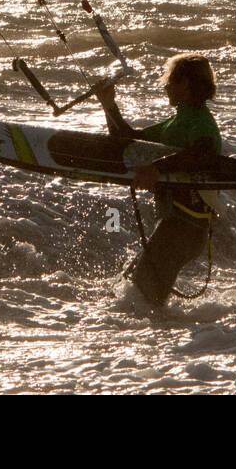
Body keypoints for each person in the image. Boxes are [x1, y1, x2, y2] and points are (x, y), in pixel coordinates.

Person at [94, 53, 222, 306]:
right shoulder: (179, 121)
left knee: (138, 298)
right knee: (131, 291)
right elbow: (129, 143)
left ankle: (163, 340)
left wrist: (156, 168)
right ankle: (165, 337)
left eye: (169, 81)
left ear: (185, 83)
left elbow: (202, 155)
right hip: (177, 225)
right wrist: (109, 105)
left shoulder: (200, 123)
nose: (165, 87)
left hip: (186, 227)